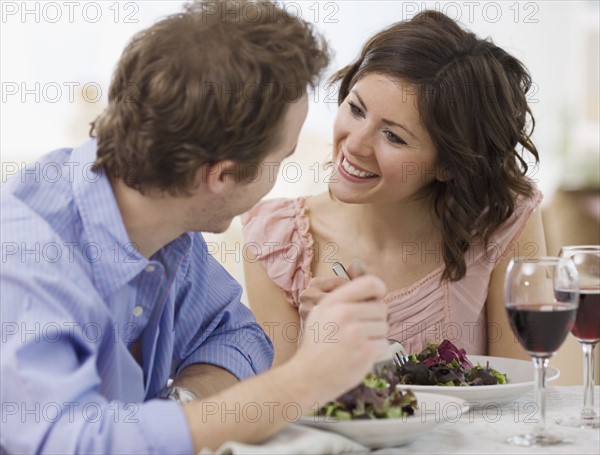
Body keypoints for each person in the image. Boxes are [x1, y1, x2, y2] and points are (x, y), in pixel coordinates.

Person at [0, 1, 390, 453]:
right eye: (280, 160)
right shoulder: (25, 259)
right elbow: (76, 444)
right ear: (221, 175)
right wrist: (304, 381)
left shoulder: (163, 222)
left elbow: (236, 337)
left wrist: (182, 405)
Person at [242, 10, 546, 368]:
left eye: (393, 136)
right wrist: (318, 343)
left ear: (448, 164)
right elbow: (281, 411)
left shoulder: (502, 221)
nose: (355, 145)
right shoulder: (276, 241)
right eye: (356, 109)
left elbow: (528, 386)